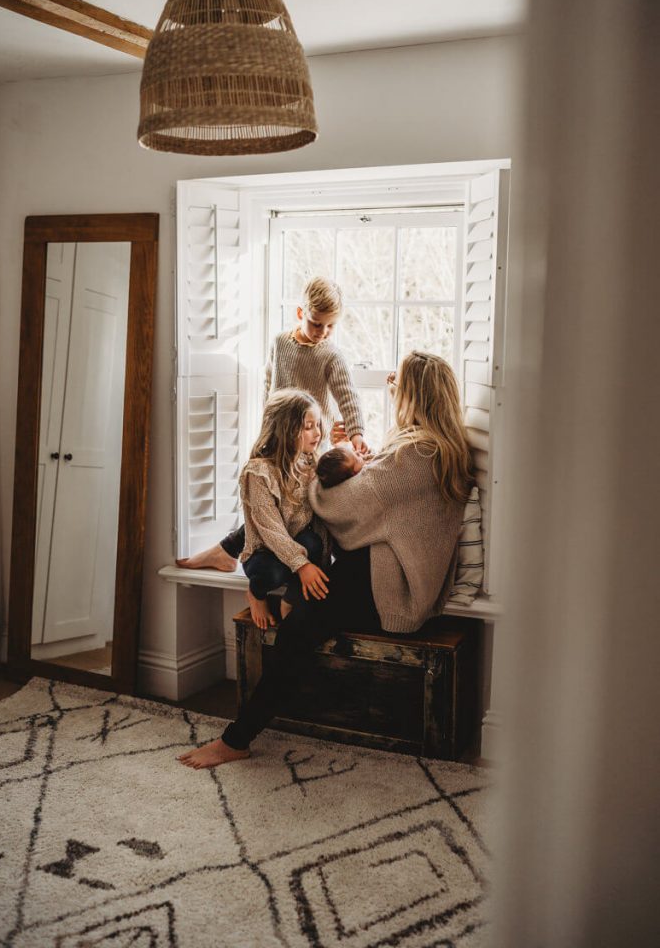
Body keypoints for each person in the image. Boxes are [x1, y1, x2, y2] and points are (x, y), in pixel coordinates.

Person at [178, 351, 473, 770]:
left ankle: (236, 739)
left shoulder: (415, 457)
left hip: (390, 592)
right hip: (390, 575)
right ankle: (252, 568)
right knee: (299, 567)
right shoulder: (438, 449)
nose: (392, 387)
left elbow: (337, 504)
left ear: (414, 396)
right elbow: (376, 492)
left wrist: (317, 470)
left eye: (399, 384)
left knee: (299, 628)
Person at [176, 276, 367, 572]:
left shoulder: (331, 355)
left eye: (331, 326)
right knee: (262, 501)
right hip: (278, 442)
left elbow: (348, 396)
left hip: (311, 446)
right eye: (317, 323)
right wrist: (268, 428)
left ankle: (229, 552)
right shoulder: (280, 343)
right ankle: (234, 555)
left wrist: (356, 434)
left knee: (297, 509)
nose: (323, 332)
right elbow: (269, 385)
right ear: (301, 313)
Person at [235, 389, 330, 632]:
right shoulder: (258, 472)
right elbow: (270, 530)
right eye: (309, 426)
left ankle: (291, 600)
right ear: (286, 430)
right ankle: (256, 595)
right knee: (273, 573)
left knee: (315, 546)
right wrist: (301, 564)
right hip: (264, 551)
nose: (317, 432)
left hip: (294, 544)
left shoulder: (310, 462)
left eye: (317, 425)